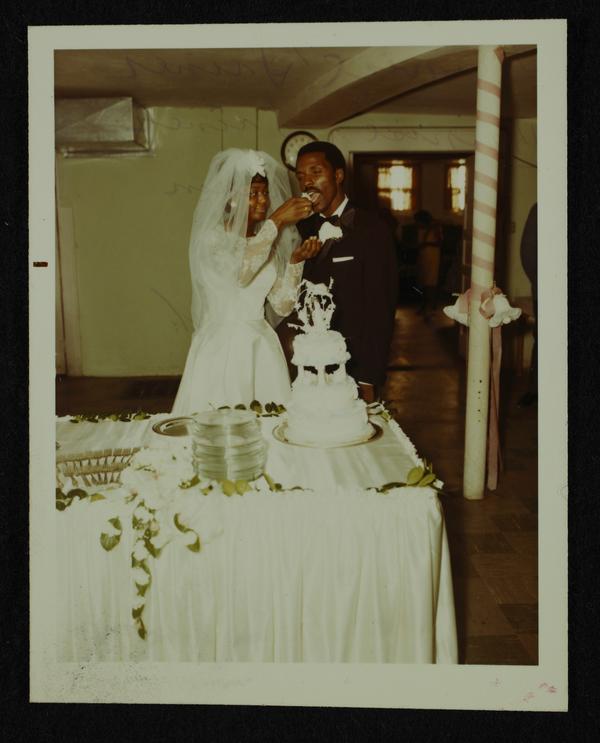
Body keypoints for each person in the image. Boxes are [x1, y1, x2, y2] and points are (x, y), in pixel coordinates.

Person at [172, 149, 321, 414]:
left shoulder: (265, 244)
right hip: (223, 347)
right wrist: (276, 220)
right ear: (230, 199)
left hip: (261, 346)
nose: (263, 201)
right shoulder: (212, 239)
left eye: (264, 193)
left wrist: (296, 261)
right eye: (253, 194)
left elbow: (282, 305)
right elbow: (240, 275)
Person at [292, 141, 398, 404]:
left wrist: (369, 377)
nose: (307, 183)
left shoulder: (372, 229)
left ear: (338, 175)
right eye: (301, 176)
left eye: (316, 172)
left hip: (354, 368)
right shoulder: (300, 229)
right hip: (310, 367)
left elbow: (380, 310)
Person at [518, 203, 538, 407]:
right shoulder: (540, 209)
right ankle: (536, 389)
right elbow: (528, 253)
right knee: (543, 339)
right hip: (549, 289)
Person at [414, 209, 444, 317]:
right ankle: (424, 305)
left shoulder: (435, 227)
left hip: (432, 257)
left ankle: (430, 306)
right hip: (423, 256)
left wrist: (426, 243)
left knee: (430, 282)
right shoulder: (420, 229)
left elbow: (439, 242)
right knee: (422, 282)